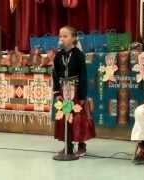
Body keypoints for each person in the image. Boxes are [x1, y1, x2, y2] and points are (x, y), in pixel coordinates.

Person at [52, 26, 95, 157]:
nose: (62, 39)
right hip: (63, 92)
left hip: (75, 91)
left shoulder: (78, 55)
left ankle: (81, 145)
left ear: (74, 38)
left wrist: (82, 95)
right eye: (60, 36)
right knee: (66, 117)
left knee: (78, 118)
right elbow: (55, 75)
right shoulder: (58, 56)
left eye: (65, 36)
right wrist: (57, 92)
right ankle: (68, 145)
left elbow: (83, 76)